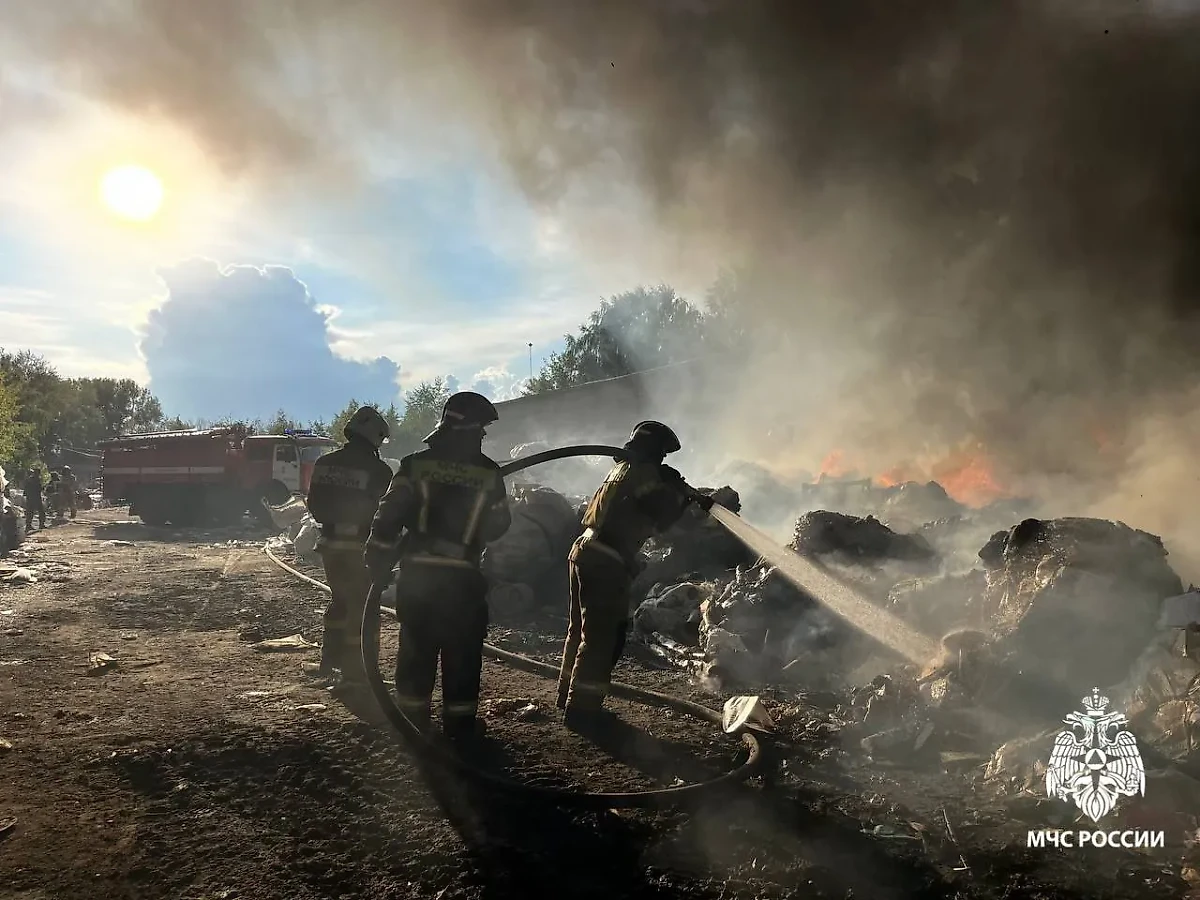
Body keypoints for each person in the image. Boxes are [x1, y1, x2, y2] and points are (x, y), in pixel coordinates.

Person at [363, 391, 512, 743]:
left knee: (416, 651)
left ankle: (413, 726)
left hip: (420, 578)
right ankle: (460, 731)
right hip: (462, 581)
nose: (483, 437)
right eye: (481, 430)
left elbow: (387, 518)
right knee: (462, 657)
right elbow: (500, 524)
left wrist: (378, 563)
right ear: (470, 430)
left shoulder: (415, 465)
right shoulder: (489, 472)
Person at [557, 421, 713, 729]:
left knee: (581, 632)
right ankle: (583, 712)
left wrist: (673, 488)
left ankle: (568, 697)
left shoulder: (623, 470)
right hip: (606, 559)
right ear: (657, 452)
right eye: (663, 456)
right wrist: (680, 495)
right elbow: (662, 516)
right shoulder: (644, 473)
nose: (664, 462)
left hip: (585, 549)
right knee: (602, 638)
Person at [306, 406, 394, 686]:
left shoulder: (324, 463)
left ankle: (329, 660)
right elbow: (383, 512)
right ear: (376, 437)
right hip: (361, 547)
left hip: (330, 545)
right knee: (363, 610)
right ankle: (358, 671)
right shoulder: (379, 469)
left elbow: (315, 505)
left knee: (340, 602)